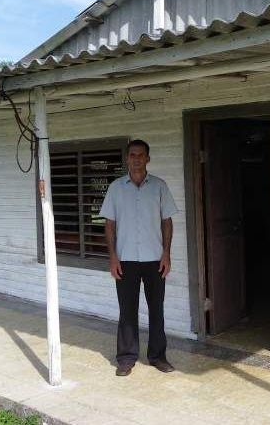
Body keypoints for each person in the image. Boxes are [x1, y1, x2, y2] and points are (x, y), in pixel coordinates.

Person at [100, 139, 178, 376]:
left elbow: (167, 221)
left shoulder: (159, 187)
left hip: (155, 259)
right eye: (132, 155)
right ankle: (126, 358)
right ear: (127, 158)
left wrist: (166, 253)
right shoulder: (116, 188)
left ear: (147, 158)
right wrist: (113, 257)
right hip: (125, 260)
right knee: (127, 310)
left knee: (156, 309)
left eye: (141, 155)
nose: (136, 159)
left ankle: (157, 356)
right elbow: (109, 224)